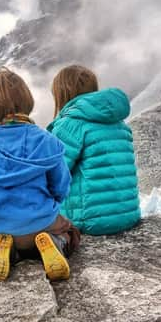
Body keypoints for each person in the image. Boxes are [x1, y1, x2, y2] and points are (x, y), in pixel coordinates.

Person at [0, 68, 77, 282]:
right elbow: (61, 185)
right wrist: (52, 204)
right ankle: (54, 245)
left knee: (13, 235)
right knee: (71, 231)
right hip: (42, 222)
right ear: (26, 99)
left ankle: (9, 251)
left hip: (0, 225)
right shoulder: (45, 139)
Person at [47, 65, 141, 236]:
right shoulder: (119, 123)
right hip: (129, 215)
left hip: (91, 221)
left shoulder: (70, 125)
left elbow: (53, 175)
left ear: (63, 94)